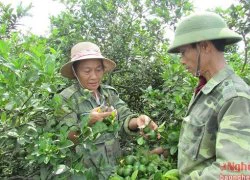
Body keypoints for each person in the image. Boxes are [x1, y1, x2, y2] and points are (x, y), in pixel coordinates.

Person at [167, 12, 250, 179]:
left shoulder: (234, 97)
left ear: (204, 46)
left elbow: (234, 171)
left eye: (183, 52)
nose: (181, 60)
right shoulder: (207, 89)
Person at [58, 41, 158, 179]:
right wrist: (88, 122)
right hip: (86, 174)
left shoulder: (109, 94)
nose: (94, 76)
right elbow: (66, 139)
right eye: (87, 71)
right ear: (75, 72)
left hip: (114, 170)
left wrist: (137, 121)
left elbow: (124, 117)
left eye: (98, 70)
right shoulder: (66, 99)